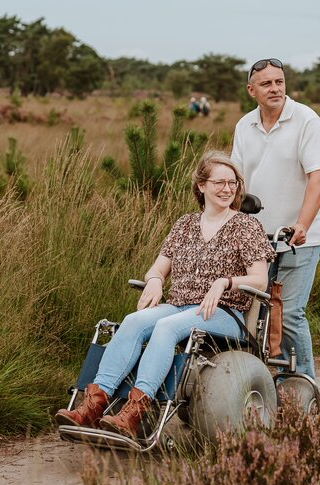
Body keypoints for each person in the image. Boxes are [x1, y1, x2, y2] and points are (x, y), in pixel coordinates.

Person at [54, 151, 272, 442]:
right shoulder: (184, 225)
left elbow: (260, 279)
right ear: (201, 186)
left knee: (166, 327)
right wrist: (155, 281)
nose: (227, 189)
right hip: (180, 306)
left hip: (223, 312)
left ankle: (135, 412)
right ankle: (93, 405)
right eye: (219, 182)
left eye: (232, 183)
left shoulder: (246, 226)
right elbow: (157, 268)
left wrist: (225, 282)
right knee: (133, 321)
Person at [231, 58, 320, 380]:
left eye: (279, 82)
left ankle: (303, 388)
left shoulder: (306, 119)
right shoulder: (244, 125)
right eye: (266, 84)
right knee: (254, 314)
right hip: (256, 238)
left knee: (287, 314)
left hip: (299, 238)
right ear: (251, 91)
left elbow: (319, 177)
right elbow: (236, 182)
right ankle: (264, 381)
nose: (275, 88)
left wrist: (302, 224)